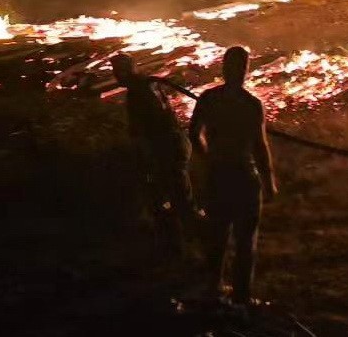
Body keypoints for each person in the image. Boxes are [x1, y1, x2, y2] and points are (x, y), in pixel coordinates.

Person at [188, 46, 277, 306]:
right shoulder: (251, 104)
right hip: (243, 175)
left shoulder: (208, 98)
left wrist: (208, 158)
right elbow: (260, 147)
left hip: (220, 175)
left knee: (217, 235)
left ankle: (214, 288)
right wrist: (268, 181)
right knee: (245, 239)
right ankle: (241, 296)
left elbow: (194, 133)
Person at [111, 52, 196, 259]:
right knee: (176, 198)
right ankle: (186, 245)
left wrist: (147, 155)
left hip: (166, 149)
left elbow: (148, 127)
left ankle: (185, 248)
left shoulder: (139, 91)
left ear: (128, 69)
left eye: (118, 70)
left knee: (165, 199)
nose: (116, 75)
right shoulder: (148, 84)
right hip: (173, 145)